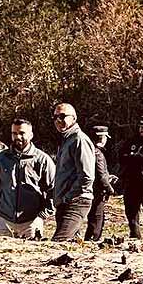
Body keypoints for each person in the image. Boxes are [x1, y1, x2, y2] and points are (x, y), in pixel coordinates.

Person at [0, 119, 55, 239]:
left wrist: (42, 215)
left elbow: (54, 190)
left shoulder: (43, 160)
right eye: (14, 133)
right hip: (3, 220)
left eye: (22, 133)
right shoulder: (1, 159)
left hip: (31, 222)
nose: (18, 137)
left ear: (31, 135)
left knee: (31, 257)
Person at [51, 103, 96, 242]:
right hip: (64, 202)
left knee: (59, 242)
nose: (58, 120)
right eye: (55, 117)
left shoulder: (79, 140)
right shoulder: (66, 140)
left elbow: (87, 176)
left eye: (63, 116)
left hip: (76, 201)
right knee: (72, 245)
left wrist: (68, 197)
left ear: (74, 118)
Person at [84, 125, 114, 242]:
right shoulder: (98, 154)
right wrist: (110, 189)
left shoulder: (87, 150)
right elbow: (101, 175)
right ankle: (92, 240)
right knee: (96, 217)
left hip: (88, 189)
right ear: (102, 138)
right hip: (97, 191)